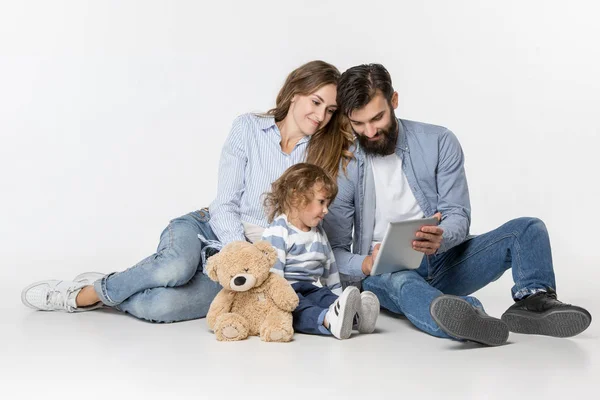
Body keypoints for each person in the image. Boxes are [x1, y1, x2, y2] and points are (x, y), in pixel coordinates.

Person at [21, 60, 354, 323]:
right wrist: (238, 253)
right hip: (209, 230)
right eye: (316, 101)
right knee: (173, 270)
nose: (321, 115)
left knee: (161, 306)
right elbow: (226, 203)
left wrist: (250, 266)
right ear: (295, 92)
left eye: (330, 110)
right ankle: (87, 294)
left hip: (255, 264)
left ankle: (123, 283)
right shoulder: (249, 128)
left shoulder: (321, 154)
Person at [324, 63, 592, 346]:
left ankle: (533, 301)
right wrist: (366, 264)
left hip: (443, 258)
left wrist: (441, 238)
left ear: (394, 101)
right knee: (403, 282)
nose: (369, 131)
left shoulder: (439, 141)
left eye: (377, 118)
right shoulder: (345, 165)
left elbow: (457, 214)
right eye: (358, 123)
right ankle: (465, 316)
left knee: (527, 229)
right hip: (384, 272)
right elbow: (335, 252)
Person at [261, 163, 380, 339]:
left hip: (310, 288)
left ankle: (356, 316)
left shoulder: (318, 233)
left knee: (324, 297)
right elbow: (273, 275)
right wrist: (274, 305)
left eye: (328, 203)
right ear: (296, 197)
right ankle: (326, 320)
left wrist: (340, 298)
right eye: (321, 202)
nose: (326, 210)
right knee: (300, 308)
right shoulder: (279, 230)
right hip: (286, 293)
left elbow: (330, 269)